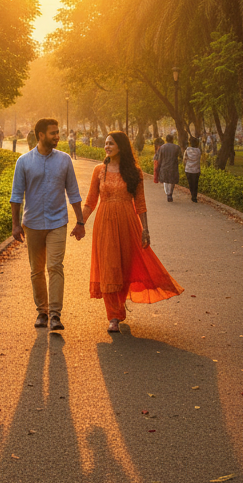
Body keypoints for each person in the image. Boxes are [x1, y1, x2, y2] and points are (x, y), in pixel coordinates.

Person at [82, 130, 183, 332]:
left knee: (124, 267)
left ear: (121, 146)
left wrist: (145, 229)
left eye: (111, 143)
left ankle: (119, 307)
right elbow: (91, 201)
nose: (107, 146)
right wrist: (79, 223)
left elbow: (141, 203)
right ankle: (114, 316)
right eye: (106, 143)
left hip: (129, 223)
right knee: (110, 267)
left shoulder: (134, 172)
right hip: (104, 224)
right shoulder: (99, 171)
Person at [10, 117, 86, 331]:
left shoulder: (64, 160)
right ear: (40, 135)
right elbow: (16, 196)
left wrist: (80, 222)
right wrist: (16, 225)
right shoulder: (23, 162)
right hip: (32, 223)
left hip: (57, 222)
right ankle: (41, 312)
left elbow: (73, 192)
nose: (57, 136)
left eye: (58, 132)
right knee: (36, 270)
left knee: (55, 266)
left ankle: (54, 314)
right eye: (53, 133)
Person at [155, 134, 181, 202]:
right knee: (172, 182)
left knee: (165, 181)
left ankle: (168, 194)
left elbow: (159, 158)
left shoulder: (162, 147)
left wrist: (158, 167)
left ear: (166, 140)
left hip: (164, 167)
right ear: (172, 139)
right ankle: (170, 194)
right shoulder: (177, 147)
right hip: (173, 167)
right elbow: (180, 156)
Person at [183, 136, 202, 202]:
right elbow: (199, 158)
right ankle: (194, 196)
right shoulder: (199, 151)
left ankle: (192, 194)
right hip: (196, 170)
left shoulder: (187, 150)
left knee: (190, 183)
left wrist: (185, 165)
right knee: (195, 183)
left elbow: (184, 159)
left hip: (188, 169)